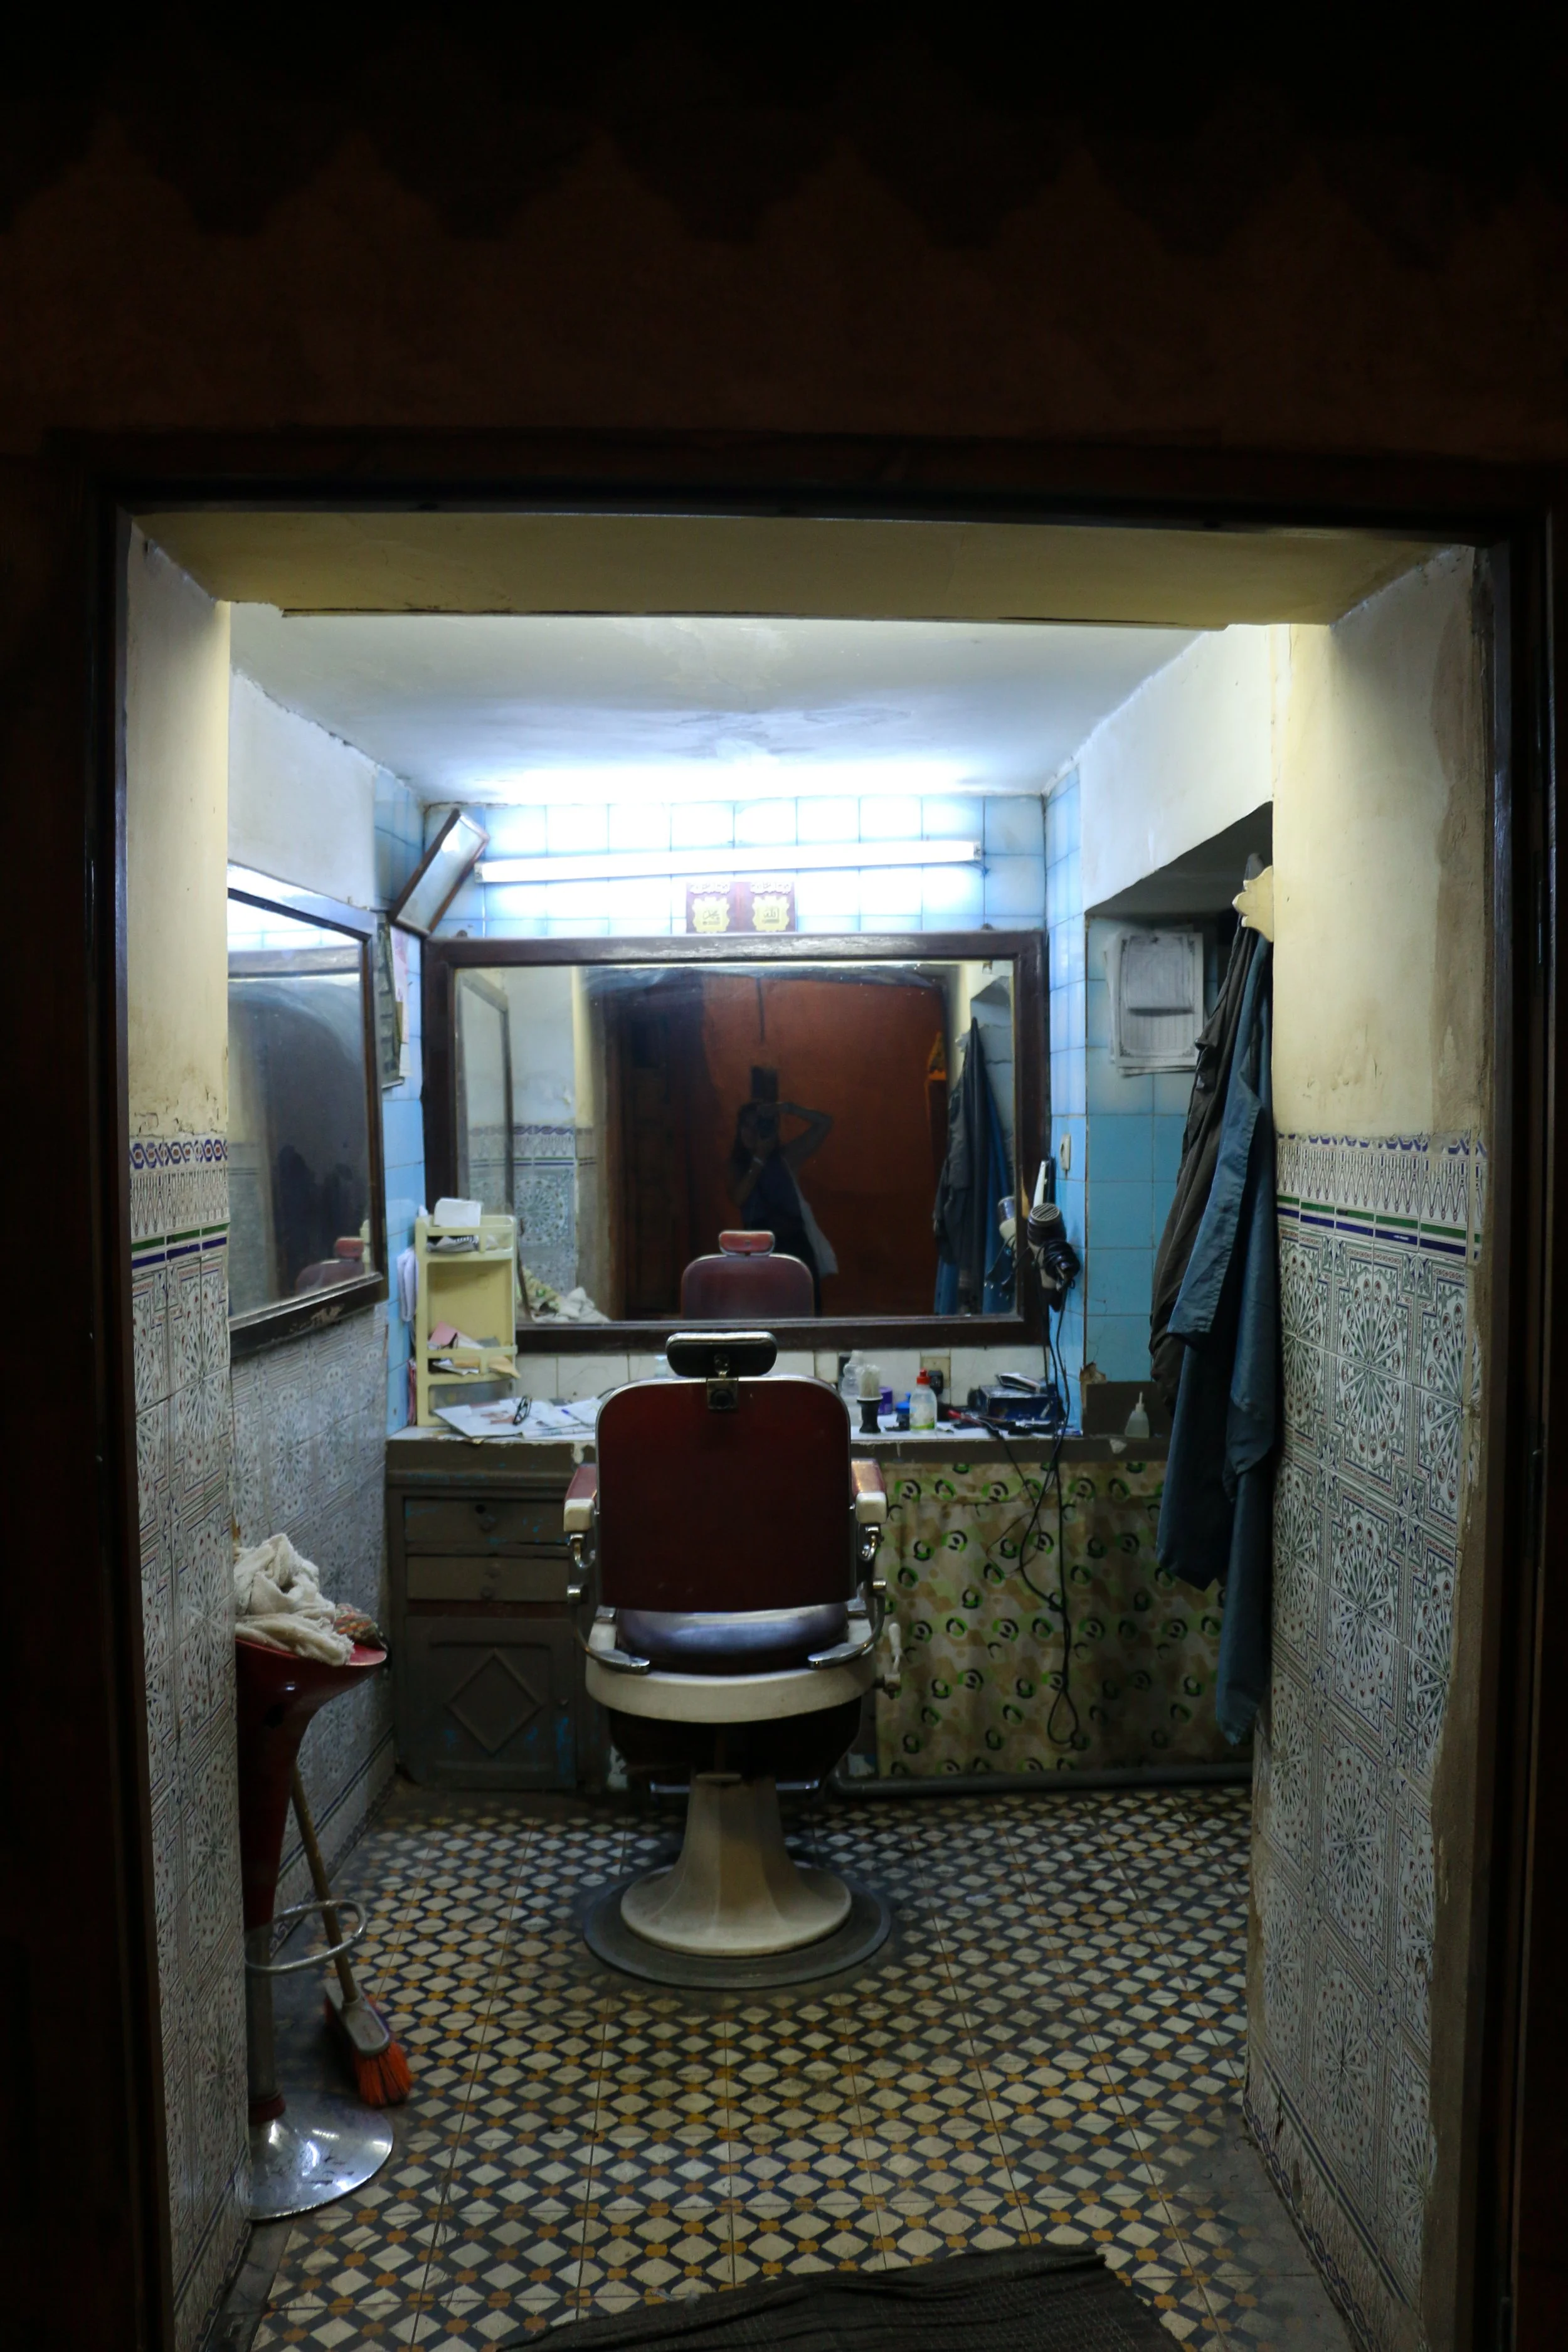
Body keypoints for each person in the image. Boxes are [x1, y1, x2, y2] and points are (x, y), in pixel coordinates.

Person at [725, 1094, 837, 1309]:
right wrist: (758, 1158)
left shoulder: (785, 1158)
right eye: (745, 1126)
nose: (751, 1132)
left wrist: (787, 1108)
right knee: (765, 1309)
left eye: (758, 1125)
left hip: (793, 1245)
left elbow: (826, 1123)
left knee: (803, 1308)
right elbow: (739, 1198)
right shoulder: (735, 1167)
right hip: (758, 1248)